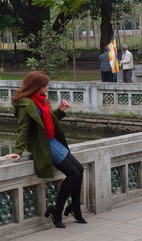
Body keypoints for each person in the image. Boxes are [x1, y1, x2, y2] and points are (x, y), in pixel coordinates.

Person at [5, 71, 86, 228]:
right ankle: (57, 210)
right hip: (43, 144)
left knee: (80, 169)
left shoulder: (40, 101)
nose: (47, 88)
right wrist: (18, 150)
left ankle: (75, 207)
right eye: (45, 85)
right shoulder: (26, 104)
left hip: (51, 140)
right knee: (73, 173)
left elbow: (46, 120)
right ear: (37, 87)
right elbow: (23, 129)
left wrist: (60, 111)